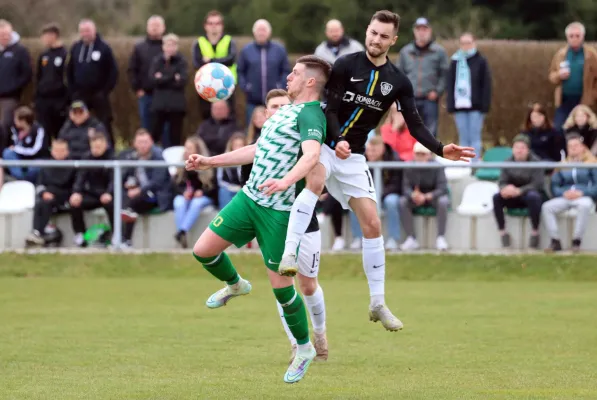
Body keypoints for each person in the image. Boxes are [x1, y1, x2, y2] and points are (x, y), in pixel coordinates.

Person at [279, 10, 474, 332]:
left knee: (372, 223)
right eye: (373, 33)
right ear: (366, 31)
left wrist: (441, 149)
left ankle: (377, 302)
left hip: (353, 157)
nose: (376, 39)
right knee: (314, 181)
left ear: (393, 40)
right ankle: (290, 255)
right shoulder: (345, 64)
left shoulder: (398, 81)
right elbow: (330, 108)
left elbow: (414, 123)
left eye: (384, 36)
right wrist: (338, 138)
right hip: (326, 145)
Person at [185, 55, 331, 384]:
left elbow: (311, 155)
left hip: (276, 213)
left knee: (283, 289)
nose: (288, 77)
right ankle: (236, 284)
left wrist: (285, 180)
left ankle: (305, 348)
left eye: (294, 74)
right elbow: (256, 149)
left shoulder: (311, 114)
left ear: (310, 82)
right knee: (203, 251)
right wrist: (210, 161)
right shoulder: (286, 112)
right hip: (248, 198)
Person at [542, 133, 597, 253]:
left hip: (584, 196)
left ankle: (576, 240)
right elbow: (555, 185)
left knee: (584, 205)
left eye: (576, 145)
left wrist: (582, 192)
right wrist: (563, 193)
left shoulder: (592, 163)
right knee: (547, 207)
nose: (573, 148)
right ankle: (555, 241)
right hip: (566, 196)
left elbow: (596, 186)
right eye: (570, 146)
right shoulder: (563, 165)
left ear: (582, 147)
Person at [66, 19, 118, 144]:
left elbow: (113, 72)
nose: (85, 34)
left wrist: (104, 91)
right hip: (80, 94)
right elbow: (69, 70)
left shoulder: (104, 48)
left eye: (88, 31)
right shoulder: (76, 48)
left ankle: (109, 148)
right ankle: (79, 146)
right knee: (78, 122)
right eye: (82, 31)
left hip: (99, 94)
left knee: (104, 122)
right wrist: (73, 91)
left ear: (94, 30)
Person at [492, 134, 544, 249]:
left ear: (528, 150)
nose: (519, 151)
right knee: (496, 197)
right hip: (512, 195)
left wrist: (520, 190)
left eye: (522, 148)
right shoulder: (507, 162)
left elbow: (538, 184)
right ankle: (503, 232)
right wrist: (505, 189)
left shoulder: (536, 162)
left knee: (534, 197)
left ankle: (535, 232)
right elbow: (502, 181)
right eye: (516, 147)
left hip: (528, 195)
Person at [446, 32, 492, 161]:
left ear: (474, 43)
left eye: (468, 43)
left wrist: (485, 105)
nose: (466, 46)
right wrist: (451, 105)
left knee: (475, 137)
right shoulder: (455, 61)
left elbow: (486, 85)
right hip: (459, 106)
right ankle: (465, 164)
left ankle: (475, 165)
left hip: (476, 107)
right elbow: (450, 84)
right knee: (463, 137)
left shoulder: (481, 61)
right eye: (463, 43)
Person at [24, 139, 76, 246]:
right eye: (56, 150)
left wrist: (53, 194)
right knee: (41, 201)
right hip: (46, 197)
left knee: (46, 201)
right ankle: (37, 232)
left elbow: (73, 188)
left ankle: (37, 233)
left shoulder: (72, 167)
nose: (59, 153)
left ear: (67, 152)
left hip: (64, 199)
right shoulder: (46, 166)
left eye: (62, 151)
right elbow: (39, 185)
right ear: (52, 151)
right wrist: (44, 193)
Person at [69, 132, 115, 247]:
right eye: (93, 147)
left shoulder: (113, 157)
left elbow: (114, 179)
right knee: (74, 203)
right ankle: (80, 234)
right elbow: (80, 177)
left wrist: (109, 193)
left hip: (108, 194)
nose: (96, 150)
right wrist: (76, 192)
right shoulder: (87, 158)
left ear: (105, 145)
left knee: (112, 204)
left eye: (98, 147)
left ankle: (116, 234)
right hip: (92, 194)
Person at [193, 10, 237, 120]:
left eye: (217, 23)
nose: (214, 26)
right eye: (211, 23)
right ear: (205, 26)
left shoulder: (229, 41)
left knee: (228, 119)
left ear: (222, 26)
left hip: (226, 87)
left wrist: (211, 60)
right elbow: (197, 62)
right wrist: (220, 61)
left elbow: (231, 59)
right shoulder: (199, 42)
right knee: (207, 119)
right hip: (205, 88)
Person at [173, 137, 216, 248]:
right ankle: (182, 233)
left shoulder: (208, 165)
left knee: (197, 203)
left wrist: (202, 192)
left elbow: (213, 188)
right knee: (179, 202)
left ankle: (181, 231)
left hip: (203, 197)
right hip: (186, 196)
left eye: (190, 148)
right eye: (185, 148)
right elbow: (175, 185)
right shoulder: (181, 165)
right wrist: (183, 192)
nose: (186, 151)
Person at [149, 33, 188, 148]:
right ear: (163, 46)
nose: (170, 48)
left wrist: (162, 77)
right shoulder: (157, 60)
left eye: (173, 45)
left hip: (176, 105)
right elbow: (152, 79)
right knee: (155, 134)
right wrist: (173, 76)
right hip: (159, 104)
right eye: (168, 45)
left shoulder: (182, 61)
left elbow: (182, 81)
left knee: (175, 136)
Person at [127, 15, 166, 130]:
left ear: (163, 28)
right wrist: (137, 89)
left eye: (157, 25)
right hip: (146, 95)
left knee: (165, 129)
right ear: (147, 28)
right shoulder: (139, 47)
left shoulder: (168, 47)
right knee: (147, 128)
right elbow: (132, 69)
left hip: (165, 95)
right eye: (152, 25)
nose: (154, 28)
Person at [35, 23, 68, 140]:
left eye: (45, 36)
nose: (43, 39)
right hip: (44, 101)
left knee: (59, 132)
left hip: (59, 101)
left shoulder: (65, 54)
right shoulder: (44, 55)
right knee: (44, 132)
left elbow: (68, 78)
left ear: (53, 36)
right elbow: (39, 77)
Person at [2, 106, 49, 183]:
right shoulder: (14, 129)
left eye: (16, 119)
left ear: (23, 120)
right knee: (7, 152)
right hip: (20, 158)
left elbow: (35, 150)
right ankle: (19, 178)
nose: (14, 121)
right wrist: (15, 149)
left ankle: (24, 182)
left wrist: (16, 149)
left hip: (36, 158)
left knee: (34, 168)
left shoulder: (38, 129)